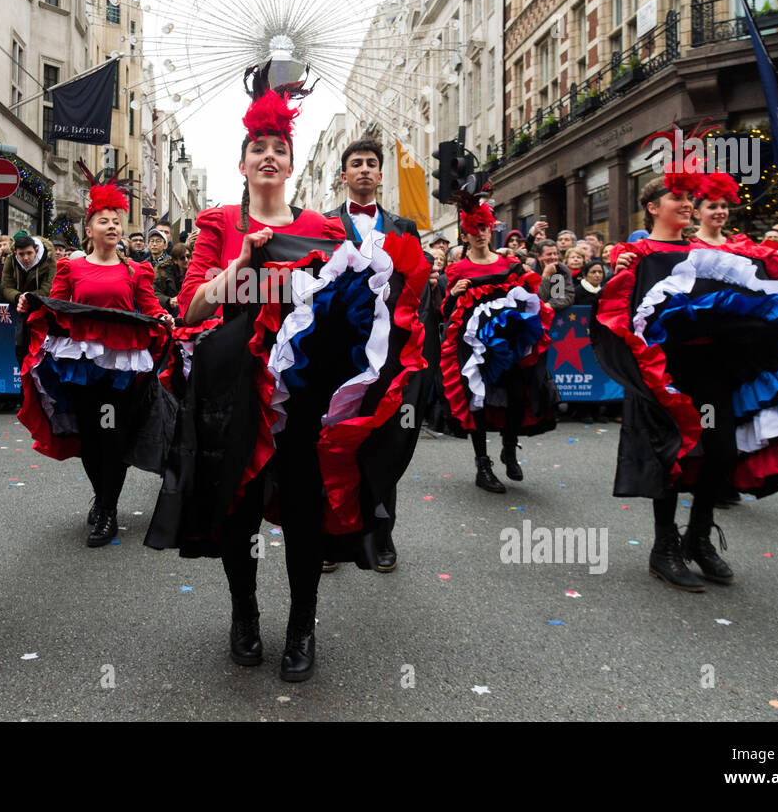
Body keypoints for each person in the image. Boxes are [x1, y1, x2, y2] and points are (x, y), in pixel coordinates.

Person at [145, 63, 427, 683]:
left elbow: (353, 301)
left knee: (302, 510)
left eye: (279, 148)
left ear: (291, 163)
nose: (268, 156)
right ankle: (244, 615)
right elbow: (189, 309)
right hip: (231, 391)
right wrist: (239, 268)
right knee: (239, 508)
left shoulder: (322, 228)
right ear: (243, 162)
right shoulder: (219, 224)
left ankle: (303, 626)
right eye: (258, 148)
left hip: (301, 394)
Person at [590, 137, 778, 592]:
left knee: (720, 453)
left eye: (688, 199)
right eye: (678, 197)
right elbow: (620, 321)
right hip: (664, 376)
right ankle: (664, 547)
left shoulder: (708, 254)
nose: (686, 204)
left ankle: (698, 536)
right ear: (652, 207)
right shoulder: (637, 258)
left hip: (711, 370)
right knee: (671, 458)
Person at [17, 184, 172, 546]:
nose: (112, 226)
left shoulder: (136, 271)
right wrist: (29, 303)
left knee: (113, 432)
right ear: (90, 230)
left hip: (119, 366)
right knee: (89, 434)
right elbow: (56, 306)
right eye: (104, 221)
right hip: (81, 363)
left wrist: (163, 315)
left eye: (116, 221)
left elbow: (149, 307)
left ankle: (108, 510)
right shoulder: (71, 266)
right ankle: (102, 497)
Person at [323, 135, 430, 573]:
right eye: (356, 163)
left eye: (371, 163)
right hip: (337, 352)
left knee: (386, 440)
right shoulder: (323, 222)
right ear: (344, 175)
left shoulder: (404, 227)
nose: (364, 169)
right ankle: (331, 534)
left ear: (381, 175)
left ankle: (381, 533)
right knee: (334, 442)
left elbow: (417, 291)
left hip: (389, 355)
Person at [440, 197, 558, 494]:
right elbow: (445, 311)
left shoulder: (510, 264)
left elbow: (533, 296)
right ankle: (483, 464)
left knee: (518, 394)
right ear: (465, 235)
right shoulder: (457, 270)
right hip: (476, 346)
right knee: (477, 400)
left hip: (511, 341)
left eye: (484, 227)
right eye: (474, 229)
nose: (480, 233)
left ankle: (509, 448)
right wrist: (453, 293)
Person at [1, 231, 57, 365]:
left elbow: (49, 288)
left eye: (29, 253)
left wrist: (28, 297)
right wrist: (18, 297)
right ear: (15, 253)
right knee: (21, 349)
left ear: (36, 251)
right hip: (21, 308)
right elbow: (6, 286)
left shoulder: (48, 261)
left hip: (43, 309)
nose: (25, 258)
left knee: (43, 352)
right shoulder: (11, 260)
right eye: (21, 254)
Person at [154, 242, 189, 315]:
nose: (186, 260)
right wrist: (168, 300)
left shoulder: (194, 272)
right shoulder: (162, 272)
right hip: (167, 310)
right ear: (175, 260)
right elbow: (154, 292)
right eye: (182, 258)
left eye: (188, 256)